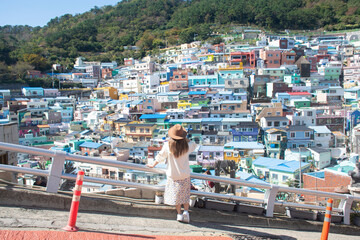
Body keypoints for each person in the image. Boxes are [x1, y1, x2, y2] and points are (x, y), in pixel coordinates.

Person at [147, 124, 197, 223]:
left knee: (177, 196)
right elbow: (194, 145)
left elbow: (160, 156)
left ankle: (179, 214)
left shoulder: (168, 145)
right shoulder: (187, 145)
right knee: (185, 195)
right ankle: (186, 212)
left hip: (173, 175)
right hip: (185, 174)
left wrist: (153, 164)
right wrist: (186, 139)